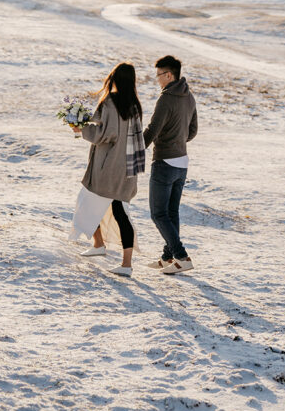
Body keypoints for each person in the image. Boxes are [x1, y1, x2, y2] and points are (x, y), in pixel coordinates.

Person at [69, 62, 145, 277]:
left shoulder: (111, 101)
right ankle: (119, 258)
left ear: (114, 78)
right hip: (127, 169)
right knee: (121, 213)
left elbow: (105, 134)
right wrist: (84, 122)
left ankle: (102, 247)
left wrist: (80, 129)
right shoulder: (134, 105)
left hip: (107, 168)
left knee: (86, 202)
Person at [144, 54, 198, 275]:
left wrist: (133, 149)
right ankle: (168, 257)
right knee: (171, 211)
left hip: (165, 161)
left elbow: (152, 130)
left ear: (168, 74)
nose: (157, 80)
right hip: (182, 162)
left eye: (158, 76)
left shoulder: (166, 98)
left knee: (158, 213)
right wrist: (177, 142)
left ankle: (181, 256)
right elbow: (192, 131)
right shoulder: (189, 97)